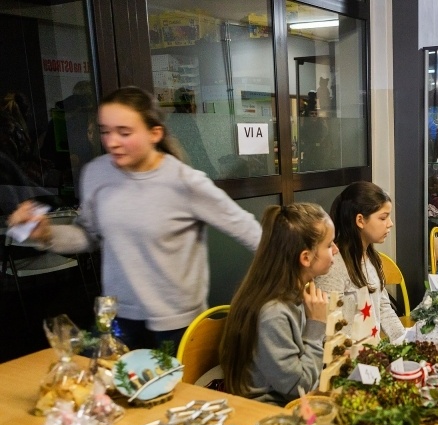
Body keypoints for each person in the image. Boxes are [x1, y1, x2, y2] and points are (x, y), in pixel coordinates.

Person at [7, 86, 261, 350]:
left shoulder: (185, 182)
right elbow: (88, 234)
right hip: (118, 317)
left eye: (124, 132)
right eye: (105, 131)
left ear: (155, 133)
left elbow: (249, 230)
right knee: (110, 388)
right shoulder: (96, 174)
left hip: (176, 324)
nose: (112, 142)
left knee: (172, 391)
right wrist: (46, 234)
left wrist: (291, 280)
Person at [220, 204, 335, 406]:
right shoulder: (273, 313)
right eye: (329, 245)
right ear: (306, 258)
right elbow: (298, 387)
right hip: (272, 412)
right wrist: (316, 325)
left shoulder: (298, 292)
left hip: (300, 401)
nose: (336, 249)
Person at [315, 182, 405, 342]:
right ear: (360, 220)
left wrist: (404, 341)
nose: (390, 223)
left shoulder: (373, 257)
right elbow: (329, 330)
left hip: (371, 357)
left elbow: (383, 308)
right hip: (348, 361)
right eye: (383, 218)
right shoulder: (333, 266)